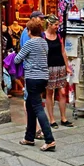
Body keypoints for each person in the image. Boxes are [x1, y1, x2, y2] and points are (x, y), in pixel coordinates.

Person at [14, 17, 56, 151]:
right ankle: (29, 137)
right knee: (30, 105)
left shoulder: (30, 43)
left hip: (32, 77)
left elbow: (17, 59)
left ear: (30, 31)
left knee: (37, 107)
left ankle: (49, 139)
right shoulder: (44, 43)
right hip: (43, 77)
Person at [44, 14, 73, 128]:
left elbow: (63, 52)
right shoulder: (43, 36)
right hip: (49, 67)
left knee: (62, 92)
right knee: (49, 92)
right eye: (56, 25)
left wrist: (67, 66)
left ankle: (63, 118)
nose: (57, 27)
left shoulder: (59, 36)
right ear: (49, 25)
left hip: (60, 66)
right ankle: (51, 119)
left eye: (58, 25)